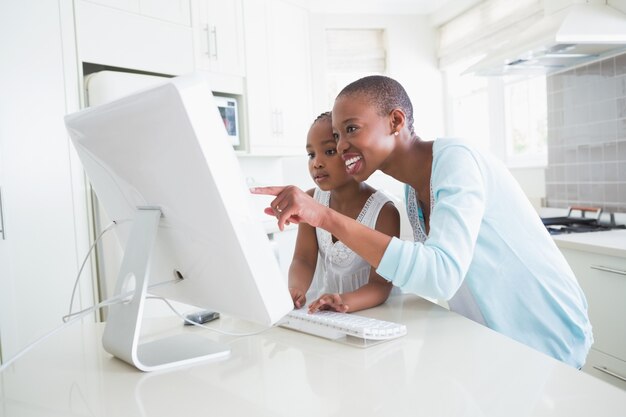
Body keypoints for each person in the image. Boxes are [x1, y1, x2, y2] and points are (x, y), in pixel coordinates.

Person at [252, 75, 593, 369]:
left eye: (351, 129)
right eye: (337, 136)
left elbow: (441, 275)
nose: (341, 146)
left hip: (547, 338)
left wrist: (324, 216)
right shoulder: (414, 189)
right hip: (498, 343)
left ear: (395, 121)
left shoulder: (457, 161)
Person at [287, 111, 400, 313]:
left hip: (372, 314)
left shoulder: (384, 212)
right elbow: (302, 259)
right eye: (311, 154)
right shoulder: (311, 201)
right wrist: (296, 289)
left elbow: (380, 285)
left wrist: (343, 301)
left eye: (329, 152)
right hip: (323, 312)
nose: (317, 163)